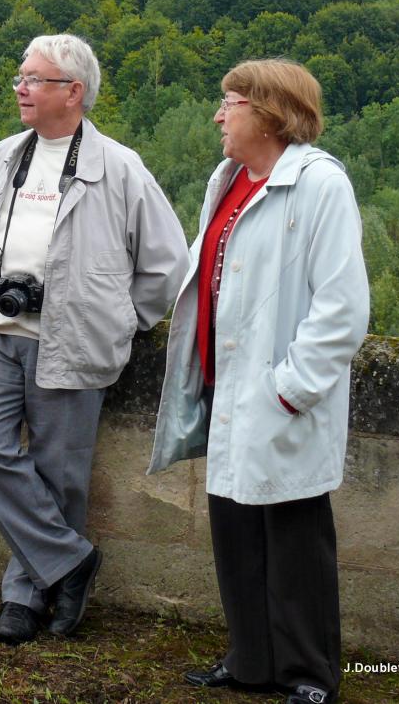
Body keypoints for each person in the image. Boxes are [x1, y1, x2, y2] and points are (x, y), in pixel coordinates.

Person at [148, 59, 369, 704]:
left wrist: (291, 387)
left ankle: (308, 675)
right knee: (236, 533)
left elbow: (343, 306)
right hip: (229, 391)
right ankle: (250, 663)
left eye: (231, 102)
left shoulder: (319, 185)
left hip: (278, 394)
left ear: (271, 113)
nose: (219, 115)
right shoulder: (229, 181)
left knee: (294, 537)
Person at [0, 34, 186, 644]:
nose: (21, 88)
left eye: (34, 79)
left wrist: (120, 319)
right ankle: (72, 560)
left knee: (61, 474)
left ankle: (27, 598)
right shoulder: (1, 158)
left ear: (73, 92)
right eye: (21, 77)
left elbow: (167, 264)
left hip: (73, 340)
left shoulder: (120, 167)